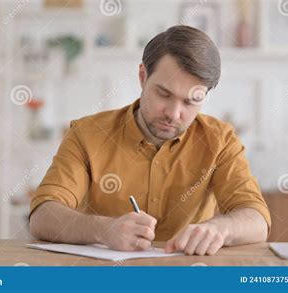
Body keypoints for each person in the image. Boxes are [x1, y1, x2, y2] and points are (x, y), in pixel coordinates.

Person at [29, 25, 271, 256]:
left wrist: (220, 229)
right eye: (164, 94)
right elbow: (42, 216)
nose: (174, 114)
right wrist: (104, 230)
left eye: (190, 102)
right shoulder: (87, 134)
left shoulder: (220, 140)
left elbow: (257, 219)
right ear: (143, 76)